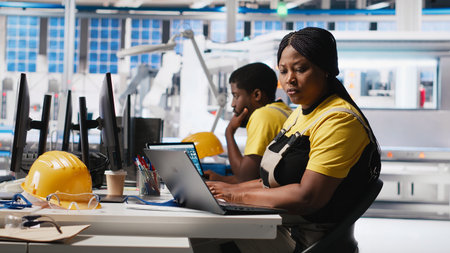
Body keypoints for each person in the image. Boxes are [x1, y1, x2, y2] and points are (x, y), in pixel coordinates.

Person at [205, 27, 381, 252]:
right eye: (283, 70)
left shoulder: (338, 120)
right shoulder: (300, 112)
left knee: (197, 243)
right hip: (278, 224)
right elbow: (272, 182)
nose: (290, 80)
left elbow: (307, 197)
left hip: (303, 239)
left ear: (326, 69)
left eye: (300, 69)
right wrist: (222, 190)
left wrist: (231, 194)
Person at [203, 62, 292, 183]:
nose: (233, 104)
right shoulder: (284, 111)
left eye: (236, 96)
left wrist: (229, 132)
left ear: (257, 95)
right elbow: (255, 176)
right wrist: (221, 179)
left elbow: (244, 177)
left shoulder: (262, 116)